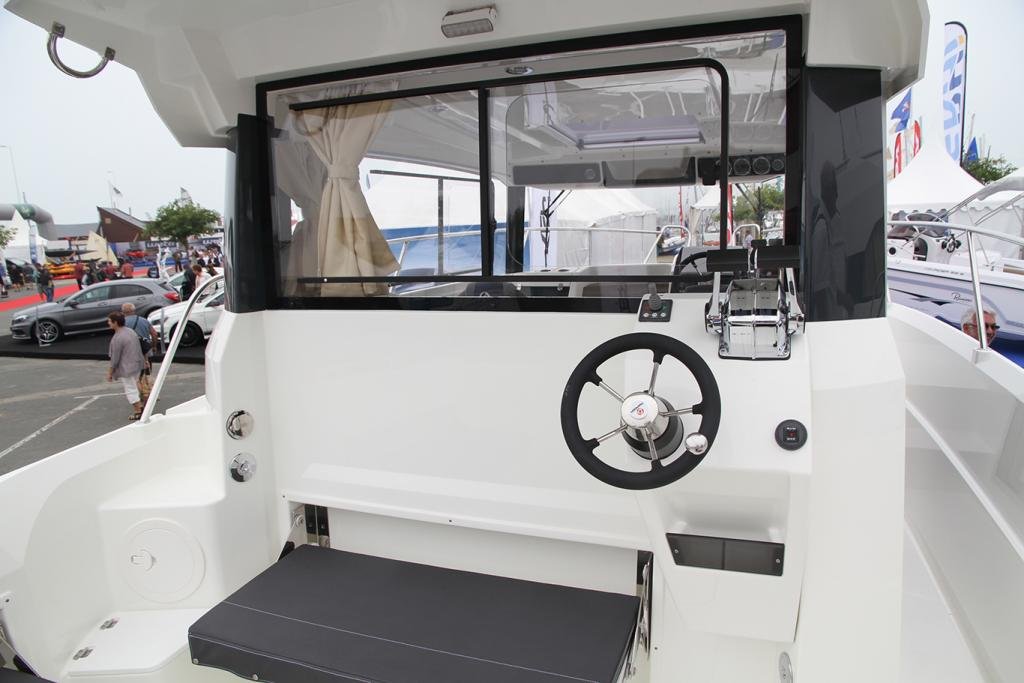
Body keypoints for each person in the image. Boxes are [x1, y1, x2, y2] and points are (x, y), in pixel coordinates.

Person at [106, 311, 147, 420]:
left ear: (115, 322)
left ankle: (138, 410)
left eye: (110, 321)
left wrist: (110, 373)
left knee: (130, 388)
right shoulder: (130, 331)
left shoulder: (118, 338)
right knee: (135, 385)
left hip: (127, 368)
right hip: (137, 364)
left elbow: (115, 358)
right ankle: (141, 405)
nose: (108, 323)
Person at [123, 302, 159, 404]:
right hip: (146, 351)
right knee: (147, 372)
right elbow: (154, 334)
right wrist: (154, 346)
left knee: (136, 375)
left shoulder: (123, 323)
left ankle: (142, 394)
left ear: (123, 312)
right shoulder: (143, 320)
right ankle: (150, 393)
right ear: (134, 310)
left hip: (131, 353)